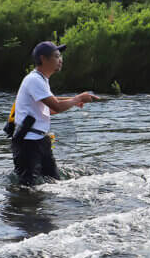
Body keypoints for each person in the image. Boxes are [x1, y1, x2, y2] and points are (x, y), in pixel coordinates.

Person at [11, 41, 99, 186]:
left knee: (54, 183)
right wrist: (78, 98)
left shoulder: (41, 79)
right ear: (43, 59)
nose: (61, 60)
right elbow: (56, 106)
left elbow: (50, 108)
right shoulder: (34, 80)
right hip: (27, 144)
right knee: (27, 188)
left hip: (40, 140)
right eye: (57, 56)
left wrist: (74, 101)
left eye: (60, 56)